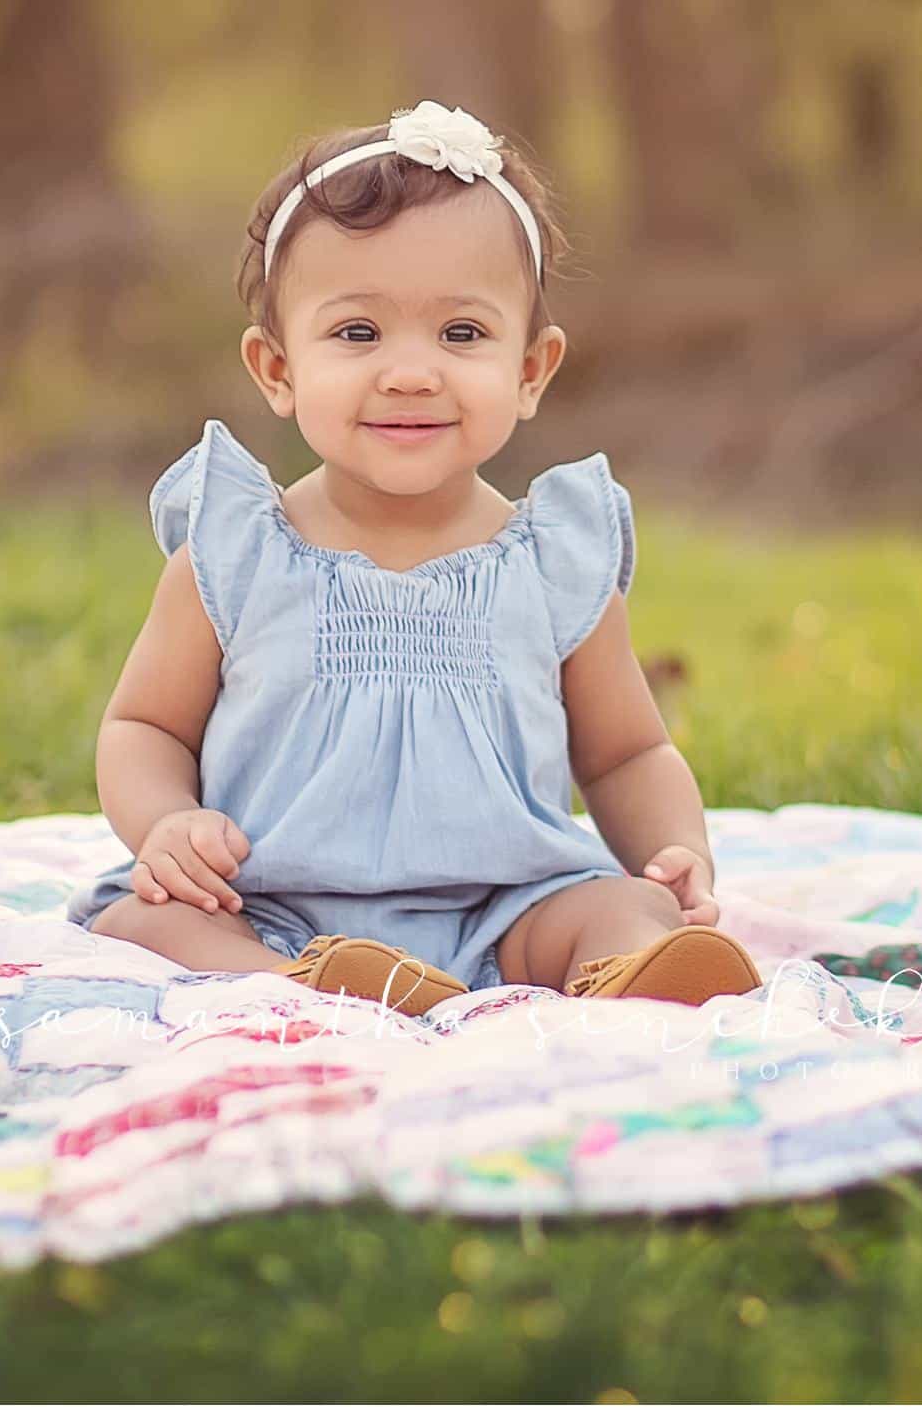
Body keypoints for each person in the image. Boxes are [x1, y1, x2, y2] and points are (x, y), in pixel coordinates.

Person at [67, 101, 763, 1017]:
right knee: (144, 920)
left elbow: (628, 751)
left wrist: (677, 852)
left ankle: (634, 960)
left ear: (532, 370)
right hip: (266, 902)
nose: (410, 372)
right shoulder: (236, 553)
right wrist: (168, 824)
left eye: (462, 334)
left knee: (621, 904)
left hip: (506, 907)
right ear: (277, 369)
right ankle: (292, 984)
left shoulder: (553, 562)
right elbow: (143, 727)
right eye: (358, 333)